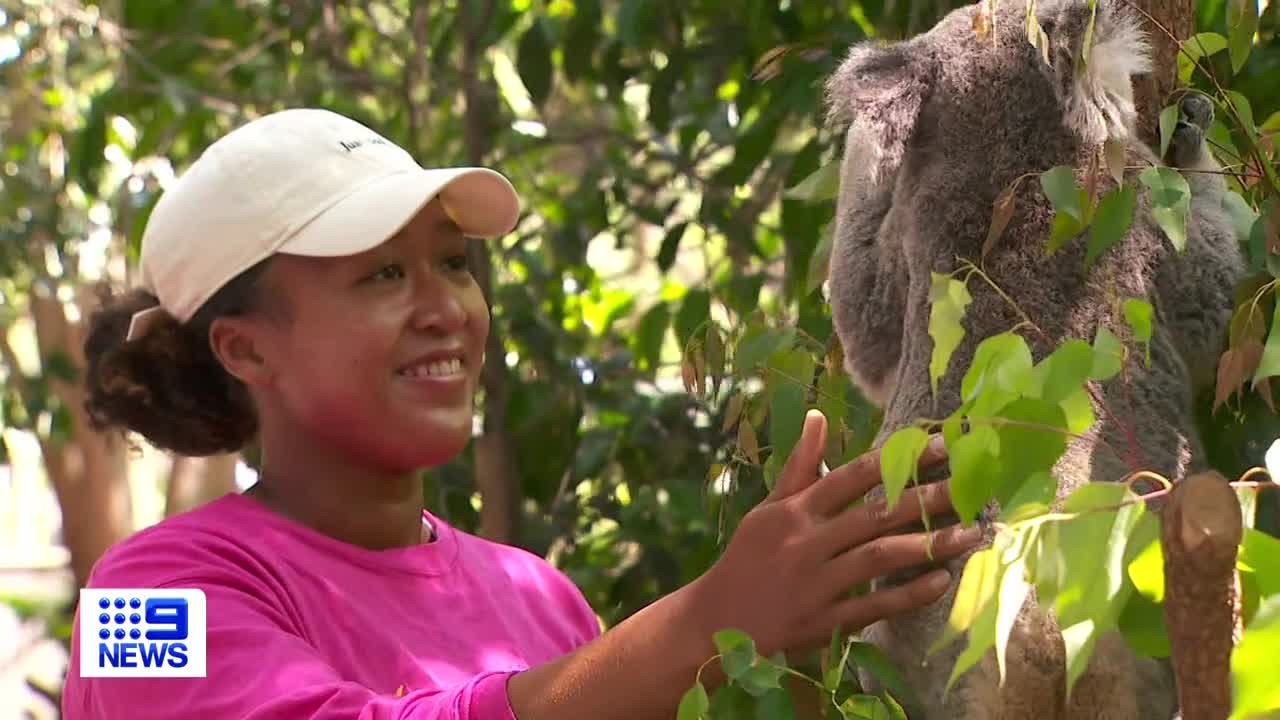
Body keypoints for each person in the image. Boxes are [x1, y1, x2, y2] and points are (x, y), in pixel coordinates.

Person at [60, 108, 982, 720]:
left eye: (453, 262)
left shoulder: (539, 599)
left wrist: (795, 661)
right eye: (382, 273)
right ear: (244, 348)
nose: (447, 308)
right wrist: (708, 621)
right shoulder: (137, 604)